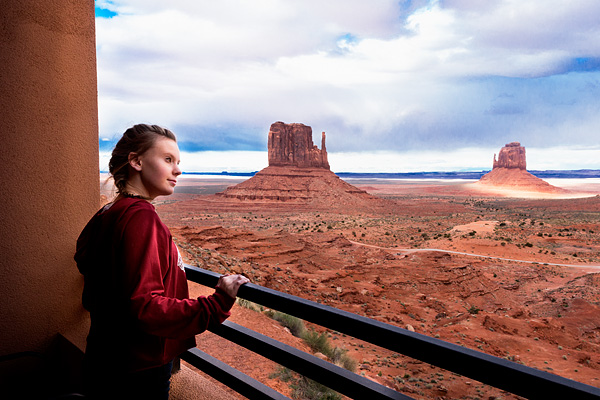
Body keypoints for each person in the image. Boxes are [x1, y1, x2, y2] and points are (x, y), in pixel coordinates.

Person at [74, 124, 249, 399]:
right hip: (137, 370)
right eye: (168, 160)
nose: (178, 170)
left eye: (178, 162)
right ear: (136, 161)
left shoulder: (109, 212)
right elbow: (144, 305)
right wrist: (216, 304)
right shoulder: (140, 217)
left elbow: (84, 261)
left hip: (103, 357)